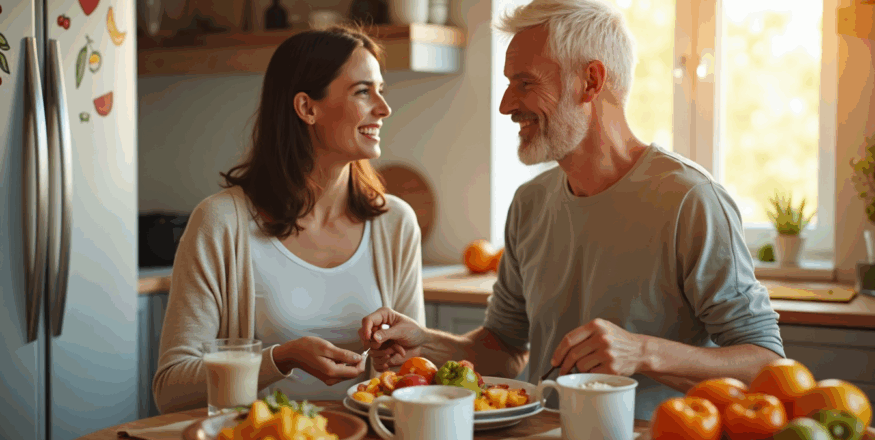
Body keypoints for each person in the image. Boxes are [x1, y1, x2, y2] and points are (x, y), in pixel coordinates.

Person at [359, 0, 785, 420]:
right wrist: (427, 344)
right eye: (509, 83)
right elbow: (504, 349)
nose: (507, 104)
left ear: (591, 81)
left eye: (525, 83)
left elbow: (766, 367)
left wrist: (642, 352)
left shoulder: (691, 200)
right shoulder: (530, 203)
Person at [152, 25, 426, 414]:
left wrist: (393, 364)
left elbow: (411, 378)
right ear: (306, 108)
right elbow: (170, 389)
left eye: (381, 90)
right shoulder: (220, 223)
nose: (383, 108)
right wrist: (279, 359)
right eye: (363, 91)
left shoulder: (395, 223)